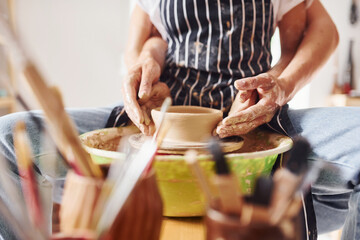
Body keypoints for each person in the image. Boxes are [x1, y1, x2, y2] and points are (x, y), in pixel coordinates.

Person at [0, 0, 358, 239]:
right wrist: (145, 66)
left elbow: (309, 39)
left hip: (252, 119)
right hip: (158, 120)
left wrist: (280, 83)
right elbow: (146, 41)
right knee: (6, 139)